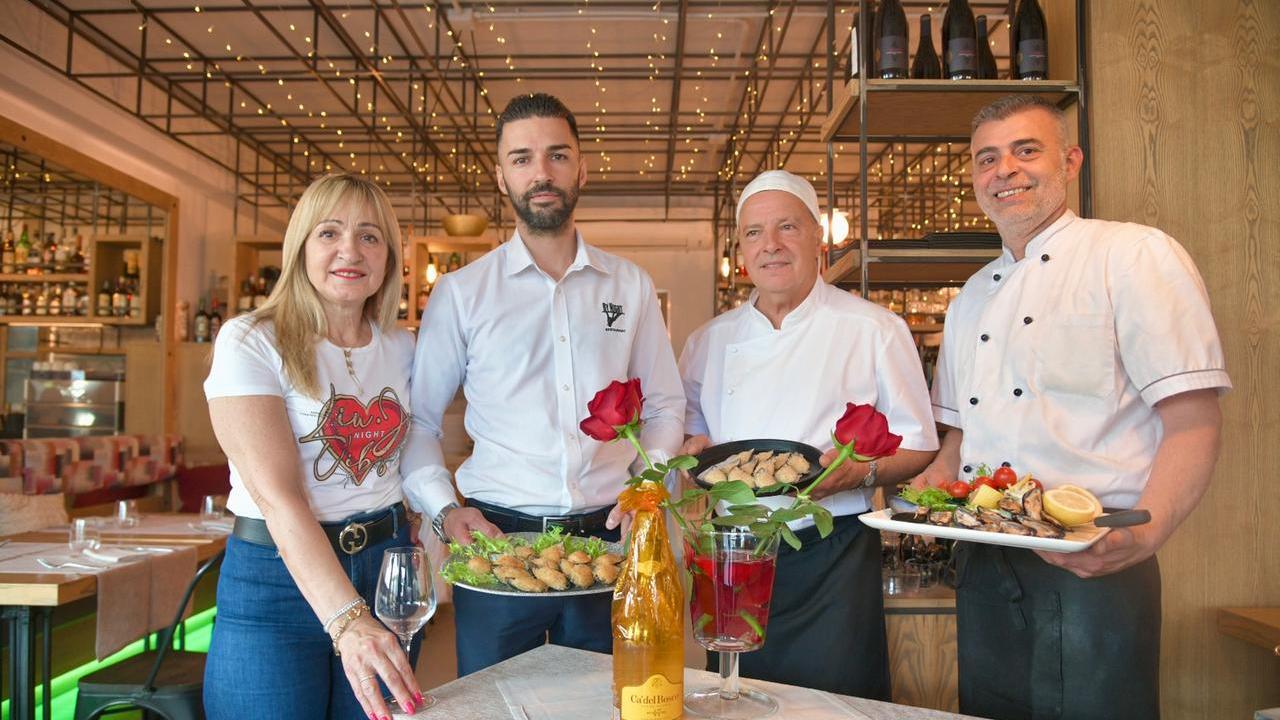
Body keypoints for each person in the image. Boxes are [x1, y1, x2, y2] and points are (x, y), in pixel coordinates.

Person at [912, 95, 1230, 719]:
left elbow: (1193, 419)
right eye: (987, 158)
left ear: (1071, 161)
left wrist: (1150, 530)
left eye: (1026, 150)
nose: (1005, 170)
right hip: (984, 556)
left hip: (1092, 556)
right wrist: (924, 490)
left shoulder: (1134, 256)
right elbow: (961, 438)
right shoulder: (970, 297)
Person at [401, 92, 685, 675]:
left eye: (557, 155)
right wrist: (444, 511)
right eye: (522, 158)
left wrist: (647, 486)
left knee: (607, 704)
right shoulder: (462, 293)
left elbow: (664, 406)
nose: (542, 172)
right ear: (501, 176)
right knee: (498, 706)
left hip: (609, 540)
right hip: (496, 542)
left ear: (582, 169)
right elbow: (420, 422)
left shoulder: (630, 285)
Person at [678, 169, 939, 698]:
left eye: (787, 227)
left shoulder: (874, 329)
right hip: (736, 550)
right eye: (754, 232)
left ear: (818, 237)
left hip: (833, 553)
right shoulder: (708, 341)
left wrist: (860, 473)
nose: (770, 245)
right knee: (737, 697)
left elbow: (919, 443)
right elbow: (694, 430)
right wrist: (692, 451)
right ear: (741, 248)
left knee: (835, 701)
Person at [203, 173, 425, 720]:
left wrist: (434, 517)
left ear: (389, 258)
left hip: (386, 568)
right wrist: (348, 618)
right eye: (329, 233)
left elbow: (417, 451)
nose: (350, 250)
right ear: (301, 247)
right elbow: (277, 495)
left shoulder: (403, 346)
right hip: (275, 578)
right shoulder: (252, 339)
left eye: (370, 236)